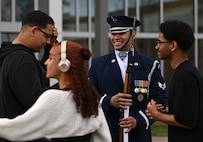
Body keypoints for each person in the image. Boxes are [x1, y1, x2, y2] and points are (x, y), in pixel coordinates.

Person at [0, 40, 112, 142]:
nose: (46, 63)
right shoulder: (91, 100)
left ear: (64, 65)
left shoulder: (52, 97)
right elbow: (104, 138)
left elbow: (16, 130)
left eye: (51, 58)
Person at [88, 15, 167, 142]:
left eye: (121, 32)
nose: (116, 37)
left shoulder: (149, 65)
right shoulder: (98, 64)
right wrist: (109, 100)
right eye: (113, 33)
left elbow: (160, 100)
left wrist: (138, 120)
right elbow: (88, 96)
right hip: (107, 135)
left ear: (133, 34)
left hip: (138, 136)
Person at [0, 10, 57, 141]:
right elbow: (36, 100)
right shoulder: (22, 59)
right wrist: (64, 87)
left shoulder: (9, 55)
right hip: (22, 136)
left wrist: (50, 48)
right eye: (47, 36)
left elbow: (38, 74)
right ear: (33, 31)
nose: (48, 41)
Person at [146, 20, 203, 142]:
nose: (157, 46)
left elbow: (186, 121)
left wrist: (157, 115)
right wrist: (163, 111)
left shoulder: (186, 75)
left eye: (160, 42)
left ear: (173, 45)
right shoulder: (183, 72)